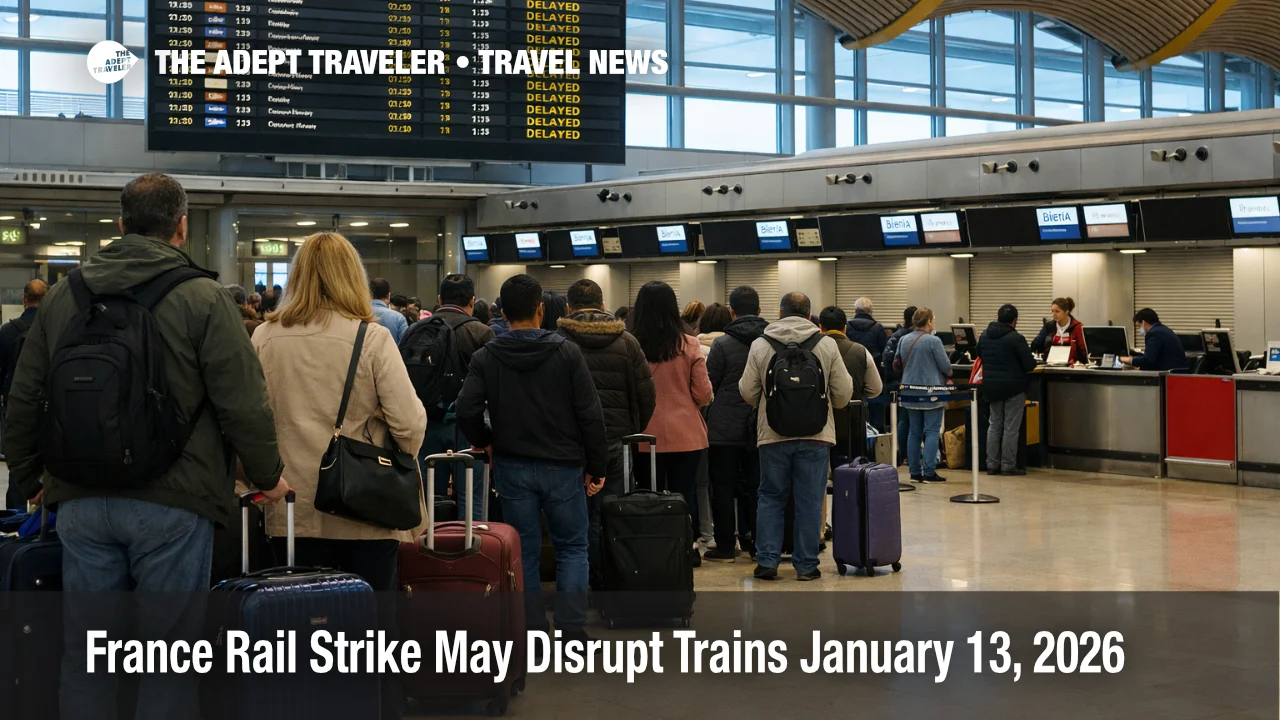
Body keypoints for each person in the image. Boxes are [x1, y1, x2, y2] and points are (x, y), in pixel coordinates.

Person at [3, 172, 289, 719]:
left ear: (119, 224)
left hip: (80, 496)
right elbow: (242, 400)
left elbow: (24, 396)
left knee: (88, 657)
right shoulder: (203, 296)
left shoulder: (66, 295)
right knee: (167, 660)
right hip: (174, 503)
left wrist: (31, 478)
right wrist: (265, 473)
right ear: (181, 227)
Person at [253, 232, 425, 720]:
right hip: (365, 511)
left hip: (289, 512)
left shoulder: (264, 337)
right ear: (353, 276)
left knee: (296, 637)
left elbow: (249, 422)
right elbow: (409, 426)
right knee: (374, 637)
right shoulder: (370, 337)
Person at [456, 274, 606, 641]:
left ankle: (532, 631)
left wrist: (485, 442)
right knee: (572, 547)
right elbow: (590, 413)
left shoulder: (486, 356)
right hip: (564, 466)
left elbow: (465, 409)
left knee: (523, 552)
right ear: (541, 309)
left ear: (503, 312)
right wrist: (598, 466)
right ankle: (572, 631)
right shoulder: (567, 352)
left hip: (512, 465)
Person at [740, 292, 853, 581]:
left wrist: (771, 405)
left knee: (770, 496)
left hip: (773, 434)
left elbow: (748, 392)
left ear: (779, 313)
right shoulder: (826, 344)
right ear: (809, 314)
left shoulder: (760, 344)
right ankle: (806, 566)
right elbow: (842, 395)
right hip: (816, 434)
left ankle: (767, 561)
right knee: (810, 499)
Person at [556, 279, 656, 591]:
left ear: (569, 308)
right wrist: (631, 427)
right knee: (613, 512)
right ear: (602, 306)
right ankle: (612, 582)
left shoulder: (558, 341)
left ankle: (578, 586)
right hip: (616, 442)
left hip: (569, 445)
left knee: (574, 521)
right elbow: (646, 395)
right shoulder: (627, 342)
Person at [632, 281, 713, 554]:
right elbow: (703, 393)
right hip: (686, 434)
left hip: (642, 435)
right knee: (683, 496)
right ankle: (682, 552)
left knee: (646, 495)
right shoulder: (690, 344)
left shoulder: (630, 345)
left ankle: (651, 550)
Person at [419, 273, 496, 521]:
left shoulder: (417, 330)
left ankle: (430, 553)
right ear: (472, 301)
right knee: (471, 499)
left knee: (430, 499)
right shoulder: (482, 332)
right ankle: (469, 555)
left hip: (426, 425)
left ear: (439, 299)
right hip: (467, 428)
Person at [702, 286, 768, 563]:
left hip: (723, 428)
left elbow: (709, 386)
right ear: (760, 310)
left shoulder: (722, 344)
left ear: (731, 311)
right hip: (761, 426)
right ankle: (757, 545)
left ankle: (727, 546)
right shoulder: (769, 341)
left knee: (723, 487)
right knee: (757, 487)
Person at [0, 278, 46, 508]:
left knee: (19, 460)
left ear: (24, 300)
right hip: (49, 408)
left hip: (15, 407)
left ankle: (15, 521)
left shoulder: (7, 332)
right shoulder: (56, 328)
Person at [977, 304, 1037, 476]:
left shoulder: (985, 336)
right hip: (1014, 388)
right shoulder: (1016, 338)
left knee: (994, 424)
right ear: (1014, 321)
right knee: (1011, 427)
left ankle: (992, 465)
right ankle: (1008, 466)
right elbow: (1029, 365)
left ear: (997, 318)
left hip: (991, 387)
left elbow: (979, 354)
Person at [895, 307, 953, 483]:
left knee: (914, 432)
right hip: (931, 393)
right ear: (929, 321)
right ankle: (929, 471)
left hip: (909, 391)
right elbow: (946, 367)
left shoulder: (903, 339)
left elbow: (897, 361)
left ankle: (914, 472)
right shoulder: (933, 341)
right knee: (932, 431)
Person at [818, 305, 884, 459]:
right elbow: (876, 388)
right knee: (850, 473)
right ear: (845, 328)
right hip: (852, 421)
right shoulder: (861, 351)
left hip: (818, 422)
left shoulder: (811, 350)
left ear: (820, 327)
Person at [882, 305, 917, 464]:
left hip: (891, 381)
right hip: (904, 383)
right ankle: (905, 453)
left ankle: (900, 453)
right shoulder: (911, 337)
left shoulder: (896, 335)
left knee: (903, 420)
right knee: (907, 420)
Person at [1122, 308, 1189, 371]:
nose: (1139, 329)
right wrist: (1133, 353)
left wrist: (1125, 359)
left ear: (1143, 322)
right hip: (1177, 371)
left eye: (1139, 326)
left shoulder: (1154, 333)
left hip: (1168, 374)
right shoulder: (1163, 330)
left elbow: (1148, 360)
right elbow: (1153, 356)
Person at [1031, 297, 1088, 365]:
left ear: (1066, 312)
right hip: (1050, 365)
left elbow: (1083, 351)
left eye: (1057, 311)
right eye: (1052, 311)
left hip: (1072, 366)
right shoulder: (1049, 326)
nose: (1054, 314)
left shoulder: (1077, 327)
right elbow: (1036, 345)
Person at [846, 297, 889, 372]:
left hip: (851, 365)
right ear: (870, 311)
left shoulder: (847, 326)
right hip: (874, 365)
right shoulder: (878, 327)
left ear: (855, 310)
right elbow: (884, 349)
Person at [370, 276, 408, 344]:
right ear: (388, 296)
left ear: (369, 295)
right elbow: (405, 346)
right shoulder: (399, 318)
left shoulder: (359, 315)